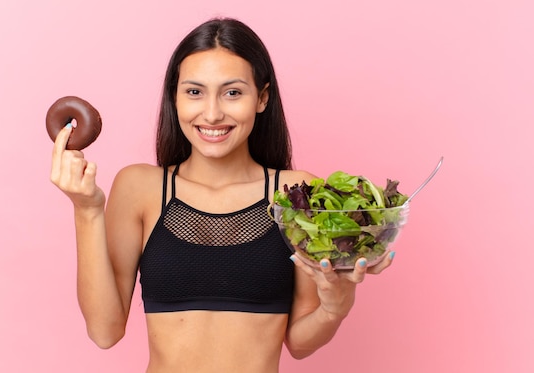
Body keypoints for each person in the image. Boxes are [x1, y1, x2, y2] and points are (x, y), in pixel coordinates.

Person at [50, 17, 394, 373]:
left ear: (261, 98)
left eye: (232, 92)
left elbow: (300, 342)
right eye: (194, 92)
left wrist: (335, 306)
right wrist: (87, 210)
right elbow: (105, 332)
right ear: (175, 97)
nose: (212, 114)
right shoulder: (140, 188)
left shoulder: (294, 195)